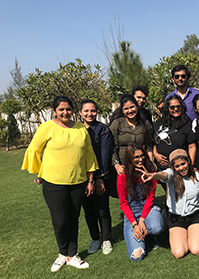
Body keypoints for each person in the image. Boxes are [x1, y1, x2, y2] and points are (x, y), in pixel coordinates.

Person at [21, 96, 98, 272]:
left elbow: (88, 154)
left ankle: (72, 254)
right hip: (53, 183)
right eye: (61, 109)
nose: (65, 112)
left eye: (68, 109)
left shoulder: (80, 128)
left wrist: (91, 180)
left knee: (73, 218)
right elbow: (34, 149)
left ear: (73, 110)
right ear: (54, 110)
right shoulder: (46, 127)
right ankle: (62, 253)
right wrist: (40, 172)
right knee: (60, 220)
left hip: (78, 181)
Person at [138, 149, 199, 258]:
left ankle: (192, 232)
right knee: (179, 253)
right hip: (176, 218)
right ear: (173, 167)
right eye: (177, 166)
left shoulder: (197, 175)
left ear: (188, 162)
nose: (181, 168)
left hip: (196, 216)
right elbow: (164, 175)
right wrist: (154, 175)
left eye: (183, 164)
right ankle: (166, 216)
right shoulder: (171, 175)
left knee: (196, 250)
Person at [117, 143, 164, 261]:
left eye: (142, 156)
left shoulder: (151, 170)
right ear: (129, 158)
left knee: (157, 227)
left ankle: (148, 233)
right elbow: (123, 204)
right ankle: (145, 236)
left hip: (148, 208)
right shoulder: (123, 176)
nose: (140, 159)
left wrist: (142, 220)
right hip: (131, 211)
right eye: (136, 157)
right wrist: (134, 224)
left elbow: (150, 198)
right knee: (137, 256)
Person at [79, 100, 114, 255]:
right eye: (86, 111)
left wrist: (100, 177)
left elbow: (105, 155)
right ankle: (95, 238)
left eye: (93, 111)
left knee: (102, 208)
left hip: (100, 176)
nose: (89, 114)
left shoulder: (102, 129)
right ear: (80, 113)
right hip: (80, 178)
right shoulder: (76, 129)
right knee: (88, 210)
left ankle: (106, 239)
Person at [110, 94, 153, 174]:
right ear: (122, 110)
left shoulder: (145, 123)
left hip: (141, 166)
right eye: (126, 109)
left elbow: (149, 145)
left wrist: (150, 162)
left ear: (137, 106)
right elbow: (112, 148)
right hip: (123, 168)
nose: (130, 111)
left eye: (132, 107)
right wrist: (117, 165)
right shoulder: (117, 124)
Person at [153, 95, 196, 170]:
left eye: (178, 107)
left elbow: (192, 146)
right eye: (172, 107)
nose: (175, 109)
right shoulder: (159, 122)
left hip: (180, 168)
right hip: (161, 167)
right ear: (168, 108)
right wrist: (155, 154)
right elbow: (154, 142)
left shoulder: (186, 123)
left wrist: (191, 165)